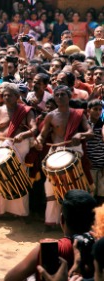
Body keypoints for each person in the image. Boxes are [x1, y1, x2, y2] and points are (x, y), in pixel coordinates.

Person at [34, 85, 94, 227]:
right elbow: (42, 135)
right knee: (50, 186)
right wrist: (38, 142)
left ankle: (76, 223)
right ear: (54, 98)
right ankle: (51, 222)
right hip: (55, 152)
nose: (60, 97)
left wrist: (81, 134)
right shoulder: (50, 115)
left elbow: (90, 132)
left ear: (69, 97)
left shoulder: (79, 114)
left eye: (63, 95)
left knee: (75, 187)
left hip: (73, 151)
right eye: (57, 95)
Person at [4, 189, 97, 281]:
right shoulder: (100, 247)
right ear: (94, 221)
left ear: (61, 219)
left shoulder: (49, 247)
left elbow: (10, 278)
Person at [0, 82, 37, 219]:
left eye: (10, 95)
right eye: (4, 95)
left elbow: (34, 128)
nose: (6, 98)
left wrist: (23, 134)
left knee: (19, 177)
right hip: (2, 146)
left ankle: (22, 213)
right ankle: (0, 212)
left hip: (20, 146)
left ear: (17, 96)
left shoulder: (26, 110)